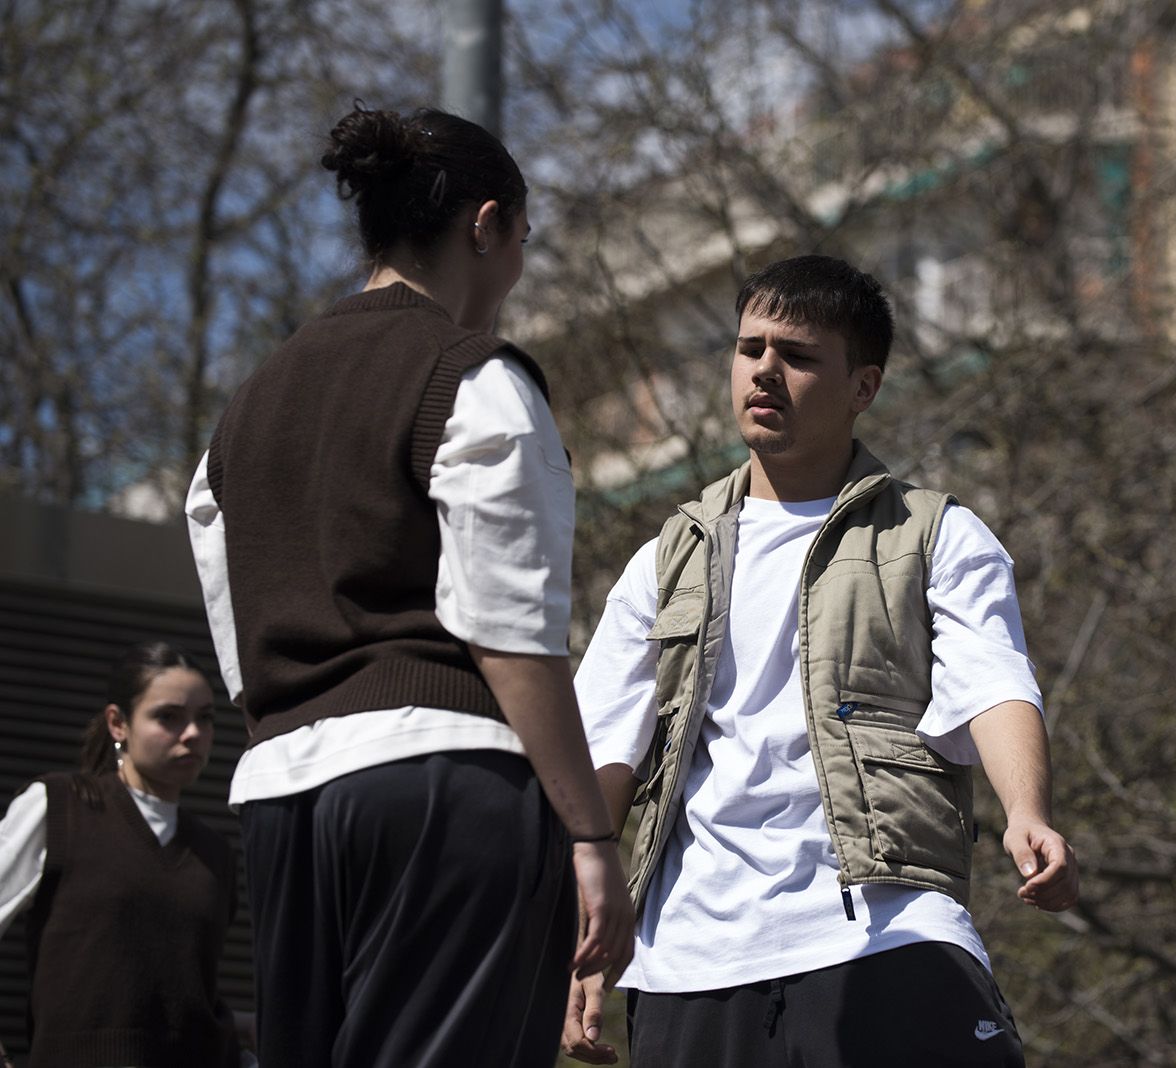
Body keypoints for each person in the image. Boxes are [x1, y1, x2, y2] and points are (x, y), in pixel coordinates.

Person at [183, 103, 631, 1068]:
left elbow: (237, 634)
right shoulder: (475, 379)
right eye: (520, 238)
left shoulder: (245, 409)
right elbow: (511, 634)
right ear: (486, 224)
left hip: (281, 797)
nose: (515, 269)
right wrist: (590, 837)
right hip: (447, 788)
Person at [563, 254, 1079, 1067]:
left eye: (797, 355)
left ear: (864, 386)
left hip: (886, 931)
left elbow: (994, 682)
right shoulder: (666, 561)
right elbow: (602, 750)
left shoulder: (934, 533)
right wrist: (582, 927)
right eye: (749, 348)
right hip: (691, 959)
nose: (764, 370)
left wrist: (1029, 811)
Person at [0, 641, 245, 1068]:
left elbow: (190, 1002)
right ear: (118, 723)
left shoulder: (215, 853)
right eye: (168, 717)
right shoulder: (59, 807)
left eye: (204, 718)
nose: (192, 734)